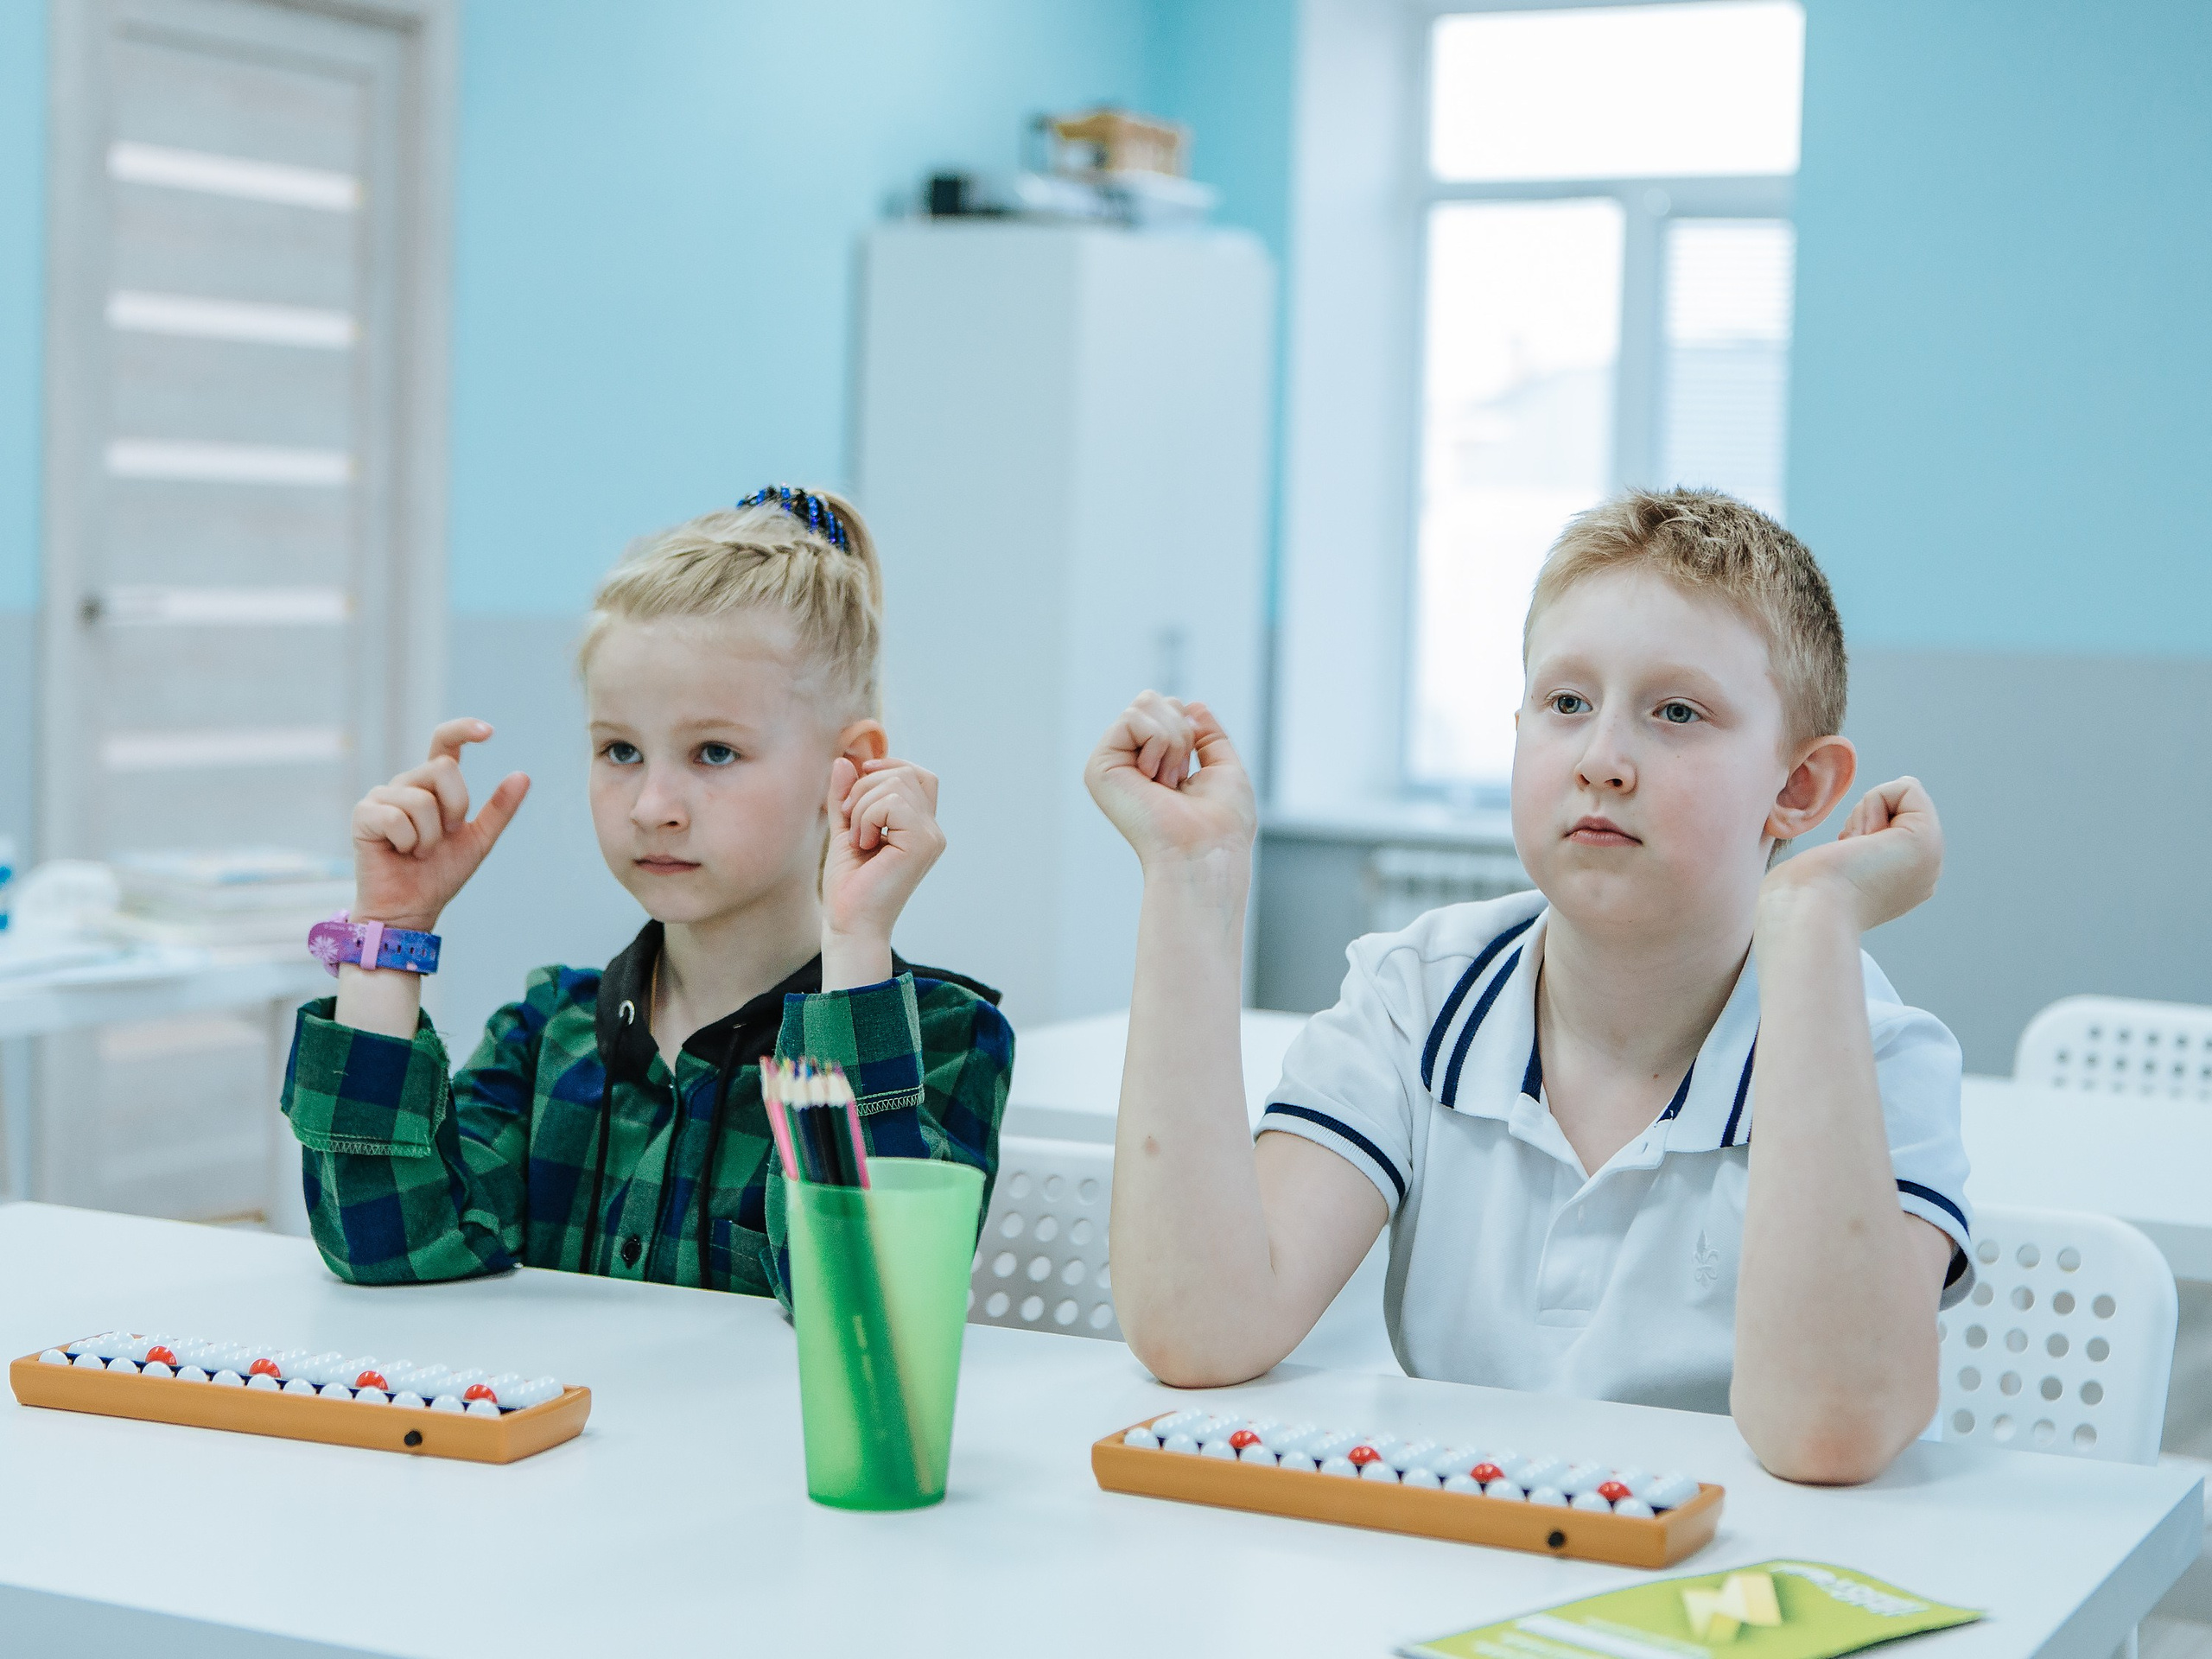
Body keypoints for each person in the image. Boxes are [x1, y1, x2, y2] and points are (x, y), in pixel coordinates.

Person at [1086, 487, 1968, 1484]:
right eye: (1565, 704)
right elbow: (1199, 1331)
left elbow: (1825, 1433)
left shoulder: (1881, 1059)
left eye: (1676, 712)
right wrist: (1191, 879)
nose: (1601, 760)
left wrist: (1812, 924)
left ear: (1799, 789)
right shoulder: (1415, 994)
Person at [282, 486, 1011, 1300]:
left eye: (715, 753)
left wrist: (854, 941)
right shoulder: (547, 1034)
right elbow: (384, 1246)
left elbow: (865, 1301)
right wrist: (390, 930)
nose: (651, 805)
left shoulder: (945, 1041)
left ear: (851, 767)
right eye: (620, 750)